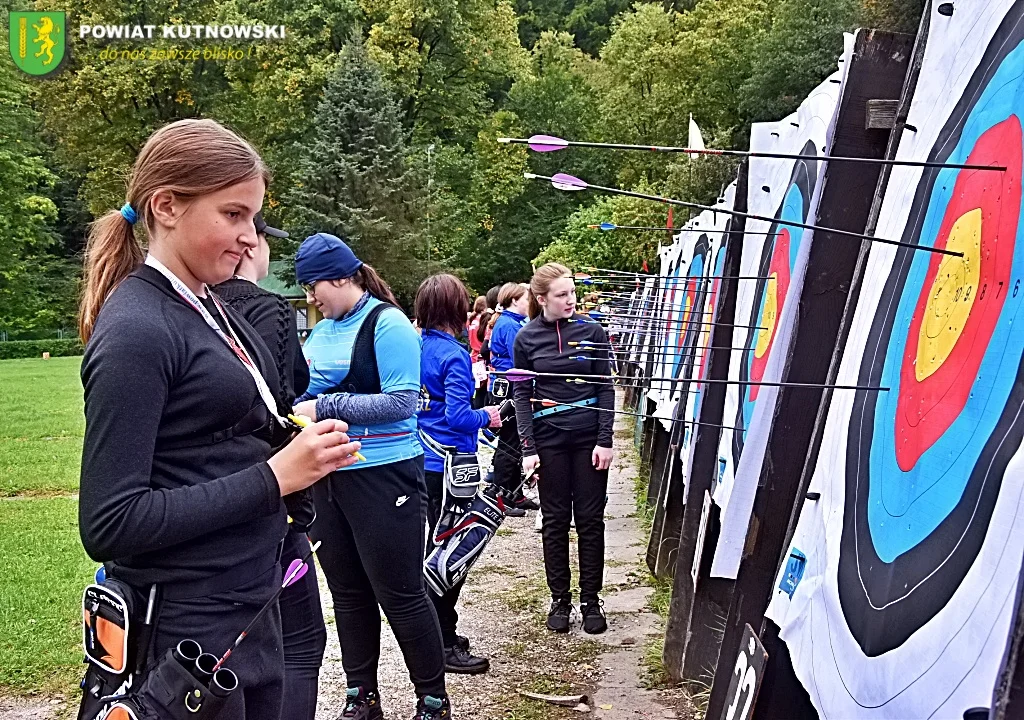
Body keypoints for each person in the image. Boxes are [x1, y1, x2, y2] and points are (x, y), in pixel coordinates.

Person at [78, 118, 361, 720]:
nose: (248, 237)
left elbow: (216, 442)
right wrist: (275, 477)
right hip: (182, 630)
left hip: (246, 607)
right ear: (167, 206)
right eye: (232, 215)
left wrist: (297, 447)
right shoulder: (137, 329)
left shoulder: (208, 305)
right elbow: (110, 522)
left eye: (253, 219)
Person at [290, 233, 450, 720]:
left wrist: (327, 405)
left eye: (315, 286)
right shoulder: (321, 332)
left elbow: (402, 403)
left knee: (400, 594)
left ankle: (433, 700)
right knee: (348, 593)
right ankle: (362, 696)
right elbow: (302, 393)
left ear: (342, 277)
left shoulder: (388, 324)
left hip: (385, 477)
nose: (312, 297)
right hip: (329, 478)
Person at [212, 213, 325, 720]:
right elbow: (283, 398)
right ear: (251, 247)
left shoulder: (187, 309)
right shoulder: (269, 310)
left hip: (214, 507)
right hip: (269, 502)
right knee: (299, 642)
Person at [513, 263, 615, 635]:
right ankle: (560, 598)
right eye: (561, 294)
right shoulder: (525, 338)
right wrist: (528, 447)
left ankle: (591, 599)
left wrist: (606, 440)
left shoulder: (593, 332)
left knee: (590, 520)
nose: (571, 300)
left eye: (572, 292)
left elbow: (605, 387)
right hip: (549, 438)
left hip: (588, 438)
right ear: (542, 300)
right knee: (555, 521)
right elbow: (521, 394)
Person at [414, 274, 501, 675]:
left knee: (434, 550)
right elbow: (458, 415)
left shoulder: (414, 346)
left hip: (420, 461)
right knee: (453, 555)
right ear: (456, 308)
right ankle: (444, 641)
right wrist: (489, 414)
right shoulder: (453, 355)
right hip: (454, 468)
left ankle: (440, 635)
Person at [488, 283, 537, 515]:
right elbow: (522, 359)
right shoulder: (509, 325)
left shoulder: (512, 323)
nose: (531, 303)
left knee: (517, 443)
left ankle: (514, 494)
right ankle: (502, 497)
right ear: (515, 300)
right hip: (510, 389)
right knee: (509, 442)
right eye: (528, 298)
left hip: (513, 386)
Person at [467, 296, 488, 409]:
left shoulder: (471, 320)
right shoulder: (484, 321)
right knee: (482, 389)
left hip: (473, 356)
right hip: (481, 359)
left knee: (474, 387)